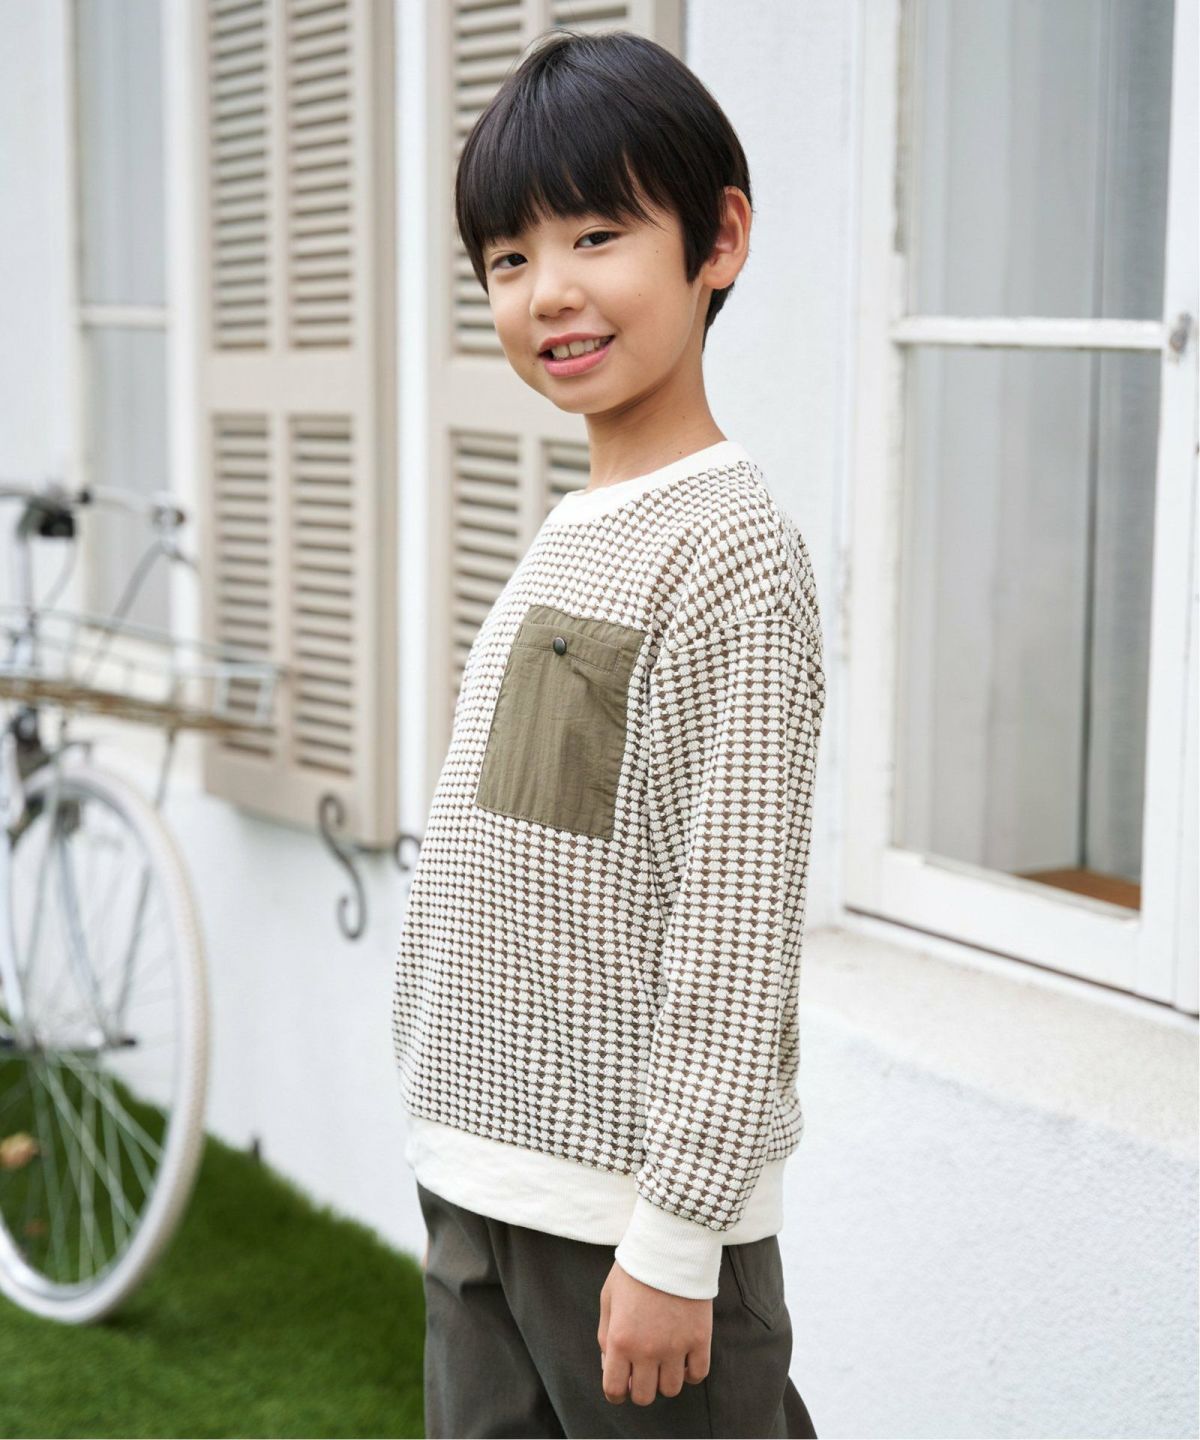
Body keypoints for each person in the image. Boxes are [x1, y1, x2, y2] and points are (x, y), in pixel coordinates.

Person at [393, 27, 825, 1439]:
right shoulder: (578, 528)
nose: (550, 292)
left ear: (719, 241)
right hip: (486, 1173)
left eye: (595, 235)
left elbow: (734, 923)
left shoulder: (730, 550)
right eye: (509, 258)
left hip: (629, 1221)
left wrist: (678, 1236)